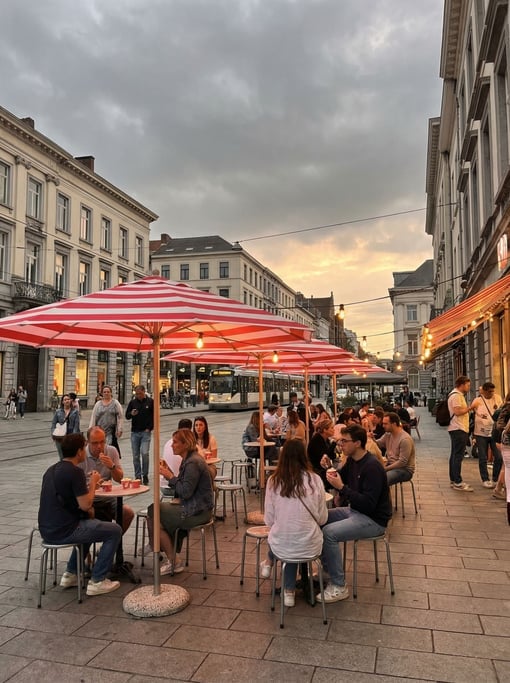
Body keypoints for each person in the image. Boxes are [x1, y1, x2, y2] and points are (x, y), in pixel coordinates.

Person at [38, 433, 122, 596]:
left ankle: (71, 573)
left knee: (90, 526)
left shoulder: (51, 470)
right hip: (65, 530)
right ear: (79, 452)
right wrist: (93, 484)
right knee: (114, 530)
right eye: (84, 448)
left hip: (47, 529)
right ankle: (97, 580)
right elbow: (86, 504)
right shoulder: (74, 472)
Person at [317, 424, 392, 602]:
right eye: (340, 440)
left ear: (357, 443)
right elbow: (336, 479)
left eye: (344, 441)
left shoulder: (371, 466)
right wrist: (327, 469)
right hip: (355, 511)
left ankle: (339, 585)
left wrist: (342, 488)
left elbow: (368, 504)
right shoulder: (352, 461)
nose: (340, 444)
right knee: (320, 518)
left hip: (373, 520)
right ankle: (329, 570)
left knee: (329, 533)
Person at [261, 439, 328, 607]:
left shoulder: (273, 481)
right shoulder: (315, 480)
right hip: (311, 546)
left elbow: (268, 520)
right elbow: (322, 519)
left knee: (284, 536)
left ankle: (288, 589)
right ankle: (290, 588)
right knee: (294, 536)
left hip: (282, 546)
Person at [147, 428, 215, 575]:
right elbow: (185, 486)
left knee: (154, 511)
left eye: (175, 442)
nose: (172, 445)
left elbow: (185, 492)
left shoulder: (192, 463)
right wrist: (170, 473)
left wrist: (170, 476)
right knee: (156, 519)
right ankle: (165, 551)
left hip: (197, 511)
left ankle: (165, 553)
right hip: (196, 507)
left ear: (185, 444)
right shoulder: (189, 459)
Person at [79, 426, 134, 533]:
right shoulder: (81, 456)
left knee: (128, 513)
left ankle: (111, 545)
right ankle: (84, 549)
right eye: (95, 443)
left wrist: (112, 467)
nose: (99, 446)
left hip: (108, 498)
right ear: (87, 442)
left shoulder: (111, 451)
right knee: (89, 515)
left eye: (102, 442)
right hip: (89, 500)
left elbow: (119, 479)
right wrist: (93, 484)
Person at [470, 381, 503, 488]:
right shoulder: (478, 401)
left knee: (498, 457)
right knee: (483, 457)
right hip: (480, 433)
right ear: (484, 391)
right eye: (489, 392)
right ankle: (485, 479)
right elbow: (472, 412)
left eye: (493, 391)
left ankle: (495, 478)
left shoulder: (497, 398)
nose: (491, 393)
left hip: (494, 432)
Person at [448, 375, 473, 492]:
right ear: (462, 385)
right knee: (458, 455)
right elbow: (457, 412)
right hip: (459, 428)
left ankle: (454, 479)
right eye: (468, 385)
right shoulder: (457, 396)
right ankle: (457, 481)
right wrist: (470, 408)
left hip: (456, 428)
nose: (469, 387)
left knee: (454, 454)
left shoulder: (455, 395)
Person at [125, 385, 154, 485]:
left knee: (145, 453)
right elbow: (127, 416)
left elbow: (154, 416)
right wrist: (131, 414)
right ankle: (138, 476)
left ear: (144, 392)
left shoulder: (150, 402)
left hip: (145, 432)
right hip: (135, 432)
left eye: (139, 394)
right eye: (136, 394)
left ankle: (145, 474)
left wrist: (149, 428)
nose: (138, 396)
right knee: (135, 456)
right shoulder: (133, 402)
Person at [376, 412, 416, 485]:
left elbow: (402, 463)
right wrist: (370, 438)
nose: (383, 426)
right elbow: (378, 444)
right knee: (369, 474)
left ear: (394, 424)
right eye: (383, 423)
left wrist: (385, 469)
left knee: (382, 479)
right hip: (390, 465)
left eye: (385, 424)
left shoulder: (405, 439)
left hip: (404, 470)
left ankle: (383, 496)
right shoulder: (388, 434)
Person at [89, 386, 124, 453]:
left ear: (111, 393)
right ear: (102, 393)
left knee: (108, 448)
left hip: (111, 431)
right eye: (104, 392)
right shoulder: (98, 404)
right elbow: (93, 417)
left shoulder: (115, 403)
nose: (106, 393)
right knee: (100, 448)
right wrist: (91, 429)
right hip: (99, 430)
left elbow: (120, 417)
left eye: (108, 392)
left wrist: (120, 429)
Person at [51, 393, 81, 460]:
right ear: (62, 402)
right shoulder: (58, 412)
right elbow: (53, 424)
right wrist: (53, 434)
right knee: (61, 456)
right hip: (60, 437)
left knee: (70, 456)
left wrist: (73, 437)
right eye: (65, 400)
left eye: (68, 399)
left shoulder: (75, 412)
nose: (67, 401)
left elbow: (76, 426)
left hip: (70, 436)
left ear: (70, 401)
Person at [307, 419, 336, 486]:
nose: (333, 430)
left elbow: (331, 456)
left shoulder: (326, 439)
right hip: (316, 469)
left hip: (323, 467)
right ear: (325, 430)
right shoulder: (316, 439)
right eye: (331, 428)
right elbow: (324, 455)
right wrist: (334, 444)